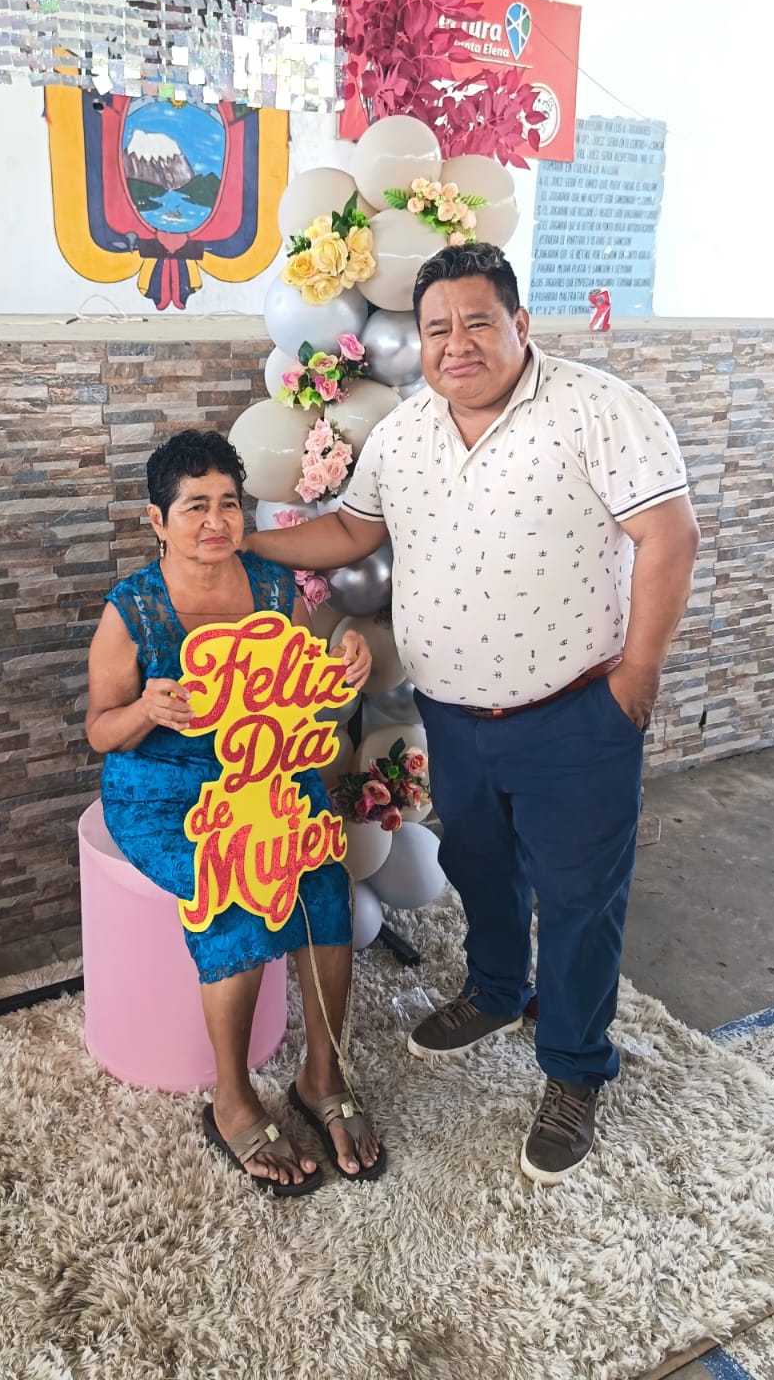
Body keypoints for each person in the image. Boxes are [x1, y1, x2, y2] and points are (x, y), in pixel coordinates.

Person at [247, 244, 700, 1185]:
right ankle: (495, 989)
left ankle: (574, 1067)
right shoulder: (405, 431)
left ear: (519, 324)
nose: (457, 343)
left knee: (578, 901)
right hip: (452, 715)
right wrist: (245, 540)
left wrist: (638, 678)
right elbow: (355, 530)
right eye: (438, 328)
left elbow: (669, 536)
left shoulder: (599, 410)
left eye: (478, 321)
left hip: (575, 714)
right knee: (479, 867)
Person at [86, 428, 385, 1195]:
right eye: (195, 507)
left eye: (228, 503)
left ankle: (322, 1077)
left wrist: (345, 664)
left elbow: (304, 683)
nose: (216, 521)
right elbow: (100, 732)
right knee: (236, 893)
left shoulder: (274, 588)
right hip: (166, 792)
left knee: (326, 885)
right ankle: (232, 1099)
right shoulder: (133, 612)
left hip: (267, 772)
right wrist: (147, 709)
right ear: (157, 521)